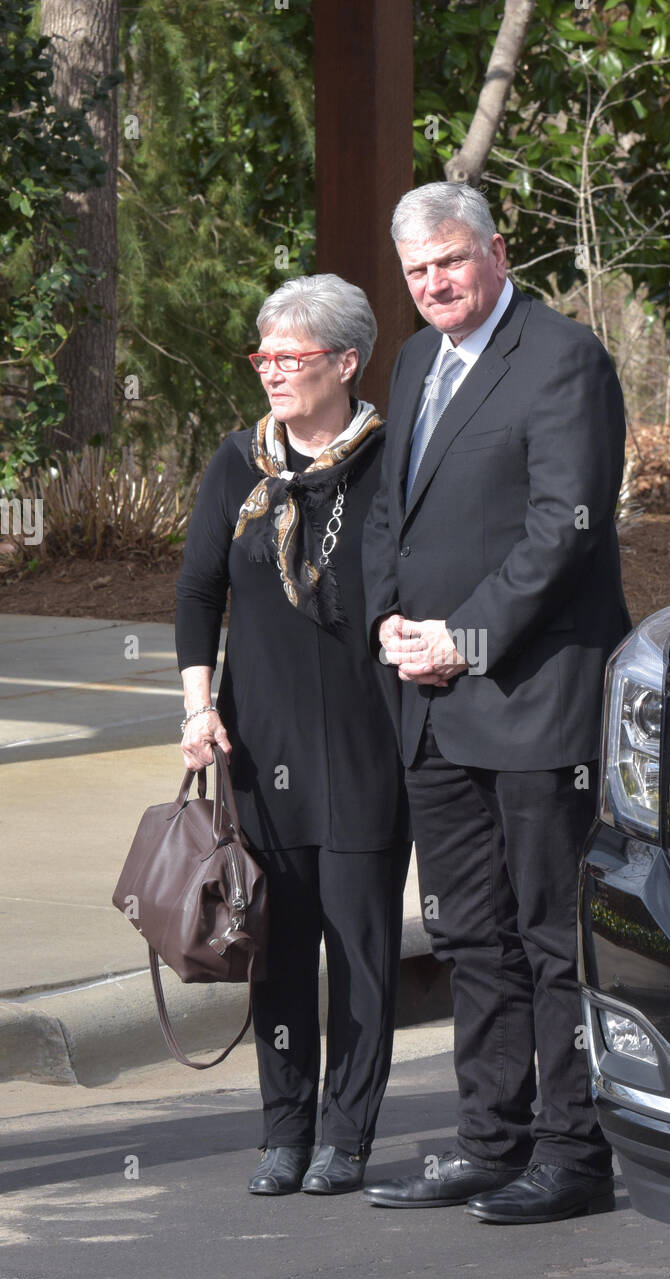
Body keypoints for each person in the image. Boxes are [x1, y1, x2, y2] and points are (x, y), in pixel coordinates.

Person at [362, 183, 631, 1223]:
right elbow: (394, 514)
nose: (434, 284)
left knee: (547, 932)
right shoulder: (417, 360)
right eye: (417, 271)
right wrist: (392, 621)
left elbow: (561, 529)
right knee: (467, 933)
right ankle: (489, 1137)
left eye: (450, 262)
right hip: (429, 698)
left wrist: (459, 637)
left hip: (530, 697)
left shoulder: (561, 358)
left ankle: (573, 1154)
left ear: (493, 252)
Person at [175, 274, 410, 1198]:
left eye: (292, 356)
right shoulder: (239, 463)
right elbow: (199, 593)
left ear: (346, 362)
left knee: (358, 950)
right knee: (273, 947)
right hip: (255, 742)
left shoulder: (392, 461)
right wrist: (198, 707)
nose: (271, 369)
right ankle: (284, 1130)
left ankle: (346, 1136)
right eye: (263, 354)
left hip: (363, 743)